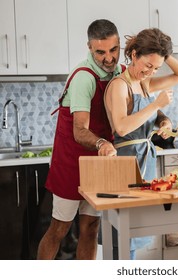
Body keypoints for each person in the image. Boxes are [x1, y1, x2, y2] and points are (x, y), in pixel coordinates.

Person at [37, 19, 123, 260]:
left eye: (113, 50)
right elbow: (79, 131)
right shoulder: (83, 78)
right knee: (59, 229)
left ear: (119, 44)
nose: (108, 58)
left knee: (91, 229)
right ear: (89, 48)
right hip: (71, 162)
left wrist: (161, 115)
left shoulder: (120, 73)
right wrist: (102, 143)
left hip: (97, 163)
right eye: (100, 52)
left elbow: (144, 95)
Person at [104, 28, 178, 259]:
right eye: (147, 65)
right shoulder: (119, 85)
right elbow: (121, 127)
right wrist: (156, 105)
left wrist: (164, 50)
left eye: (156, 68)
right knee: (123, 237)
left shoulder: (143, 84)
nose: (150, 72)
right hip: (125, 165)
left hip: (144, 160)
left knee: (136, 232)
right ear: (133, 55)